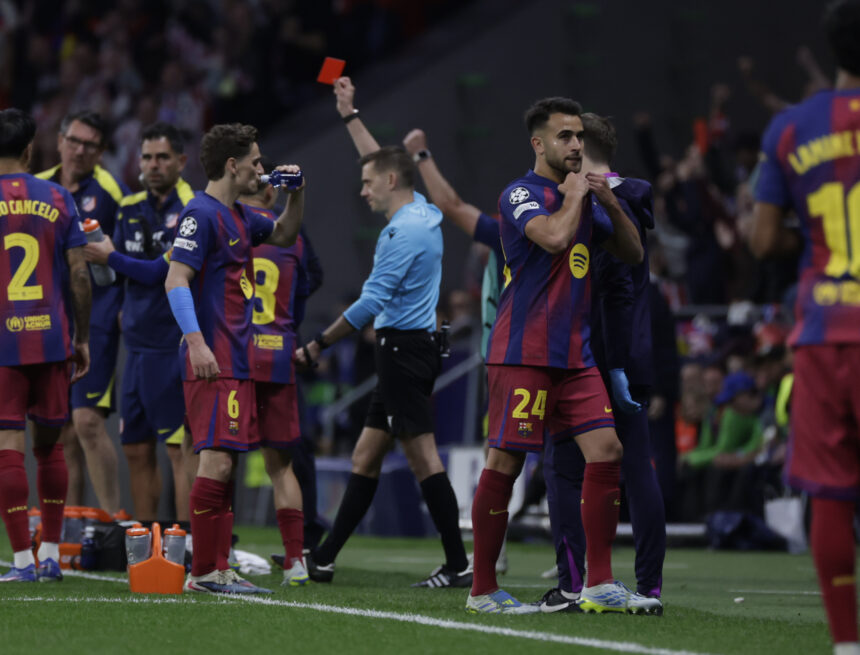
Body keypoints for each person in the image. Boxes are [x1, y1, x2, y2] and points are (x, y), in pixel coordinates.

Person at [467, 97, 645, 614]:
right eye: (565, 136)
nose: (575, 145)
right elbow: (553, 237)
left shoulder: (585, 200)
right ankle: (482, 590)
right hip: (524, 351)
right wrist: (574, 197)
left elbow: (632, 254)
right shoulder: (520, 194)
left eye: (579, 137)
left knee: (607, 451)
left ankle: (600, 584)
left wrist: (608, 203)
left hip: (576, 355)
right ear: (538, 143)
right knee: (506, 462)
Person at [295, 77, 470, 588]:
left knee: (423, 457)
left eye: (370, 183)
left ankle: (459, 564)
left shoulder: (403, 232)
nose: (363, 188)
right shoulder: (420, 211)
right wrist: (350, 115)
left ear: (392, 182)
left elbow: (370, 303)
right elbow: (384, 161)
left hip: (403, 352)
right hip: (407, 349)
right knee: (365, 455)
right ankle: (324, 558)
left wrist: (317, 343)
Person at [750, 3, 860, 651]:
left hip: (823, 328)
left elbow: (762, 240)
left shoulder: (792, 129)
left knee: (831, 488)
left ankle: (847, 643)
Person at [164, 122, 304, 594]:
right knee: (216, 463)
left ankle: (218, 568)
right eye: (256, 162)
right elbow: (175, 279)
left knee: (227, 467)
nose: (261, 169)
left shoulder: (241, 216)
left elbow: (285, 232)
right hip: (214, 359)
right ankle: (203, 572)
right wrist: (198, 342)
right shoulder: (199, 215)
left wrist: (297, 192)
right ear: (232, 164)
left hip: (237, 361)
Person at [536, 112, 666, 615]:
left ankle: (575, 583)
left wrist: (606, 362)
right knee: (636, 467)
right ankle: (648, 586)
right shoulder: (632, 193)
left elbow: (608, 287)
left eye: (570, 137)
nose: (564, 145)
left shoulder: (585, 199)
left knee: (564, 468)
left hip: (588, 356)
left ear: (579, 144)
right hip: (632, 354)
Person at [84, 121, 195, 521]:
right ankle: (149, 544)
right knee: (135, 446)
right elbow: (115, 276)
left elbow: (156, 272)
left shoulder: (192, 209)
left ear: (182, 161)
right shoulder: (129, 208)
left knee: (179, 451)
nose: (153, 165)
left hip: (175, 345)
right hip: (136, 346)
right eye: (147, 157)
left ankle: (185, 546)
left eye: (163, 157)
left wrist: (109, 257)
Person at [0, 108, 91, 581]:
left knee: (7, 446)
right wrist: (83, 337)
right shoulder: (58, 196)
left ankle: (21, 563)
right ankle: (52, 553)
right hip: (53, 339)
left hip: (3, 344)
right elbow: (80, 273)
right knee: (51, 449)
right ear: (30, 150)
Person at [36, 109, 125, 515]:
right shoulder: (39, 188)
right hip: (48, 317)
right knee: (61, 429)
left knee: (88, 422)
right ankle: (68, 527)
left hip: (100, 316)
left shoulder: (112, 192)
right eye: (73, 140)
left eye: (90, 145)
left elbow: (126, 257)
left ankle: (110, 523)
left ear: (102, 151)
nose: (79, 150)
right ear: (59, 140)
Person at [238, 163, 310, 586]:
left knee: (216, 457)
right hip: (279, 353)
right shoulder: (292, 240)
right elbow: (301, 296)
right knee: (282, 468)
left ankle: (215, 553)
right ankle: (296, 561)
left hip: (238, 356)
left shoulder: (228, 228)